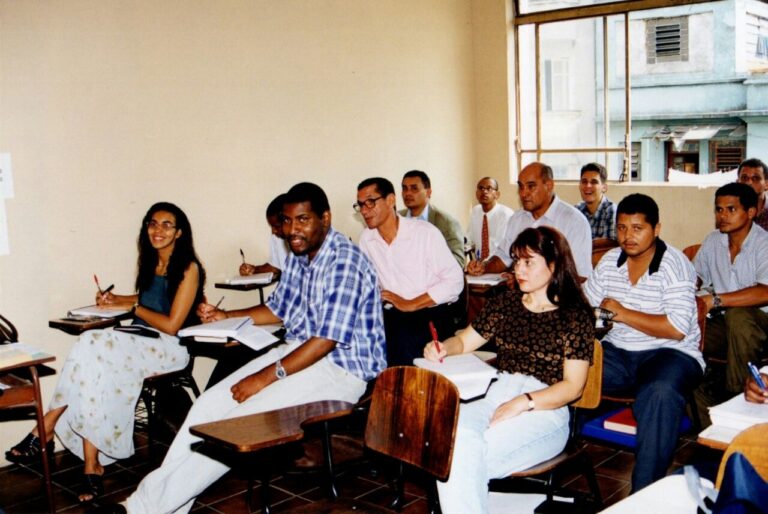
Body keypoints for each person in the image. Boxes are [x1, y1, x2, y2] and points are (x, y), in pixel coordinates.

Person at [108, 182, 386, 514]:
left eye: (302, 220)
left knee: (235, 426)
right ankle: (158, 506)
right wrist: (225, 315)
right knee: (206, 409)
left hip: (340, 370)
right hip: (298, 352)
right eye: (286, 221)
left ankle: (139, 510)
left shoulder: (345, 261)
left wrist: (264, 377)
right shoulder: (300, 253)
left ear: (325, 219)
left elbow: (326, 341)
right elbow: (278, 309)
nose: (292, 230)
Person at [5, 202, 206, 503]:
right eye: (153, 223)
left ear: (179, 232)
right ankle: (91, 465)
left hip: (169, 348)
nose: (158, 230)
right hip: (138, 341)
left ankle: (47, 426)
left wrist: (133, 308)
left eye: (167, 224)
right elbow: (146, 298)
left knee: (93, 344)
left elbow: (173, 324)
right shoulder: (151, 261)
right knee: (93, 358)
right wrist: (116, 299)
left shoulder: (189, 268)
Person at [423, 226, 594, 514]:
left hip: (546, 407)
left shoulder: (574, 316)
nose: (519, 269)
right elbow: (465, 340)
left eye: (529, 262)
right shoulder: (506, 303)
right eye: (516, 261)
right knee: (452, 440)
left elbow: (572, 387)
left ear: (553, 265)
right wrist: (443, 348)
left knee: (458, 459)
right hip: (497, 391)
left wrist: (523, 403)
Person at [584, 193, 704, 492]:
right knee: (570, 368)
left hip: (671, 353)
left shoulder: (675, 264)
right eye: (622, 228)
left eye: (637, 228)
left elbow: (676, 329)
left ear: (657, 229)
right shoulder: (610, 260)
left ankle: (643, 495)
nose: (628, 236)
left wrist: (622, 313)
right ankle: (555, 453)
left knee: (659, 392)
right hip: (619, 351)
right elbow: (585, 306)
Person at [357, 177, 464, 366]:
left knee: (404, 349)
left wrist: (411, 304)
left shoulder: (424, 233)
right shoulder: (366, 239)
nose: (364, 211)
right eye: (360, 205)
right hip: (392, 316)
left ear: (391, 200)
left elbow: (455, 281)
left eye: (370, 202)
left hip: (429, 314)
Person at [693, 182, 768, 425]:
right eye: (718, 209)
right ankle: (703, 407)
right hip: (726, 323)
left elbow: (766, 291)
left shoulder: (764, 243)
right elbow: (695, 277)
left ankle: (737, 398)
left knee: (738, 316)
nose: (722, 216)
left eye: (731, 209)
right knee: (689, 329)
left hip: (761, 324)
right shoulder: (713, 241)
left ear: (751, 212)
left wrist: (715, 299)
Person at [468, 162, 592, 279]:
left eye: (531, 187)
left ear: (548, 186)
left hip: (557, 297)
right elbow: (503, 257)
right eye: (521, 187)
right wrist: (483, 266)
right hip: (521, 293)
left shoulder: (574, 221)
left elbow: (580, 275)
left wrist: (528, 281)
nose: (523, 193)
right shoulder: (517, 219)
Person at [399, 170, 465, 267]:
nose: (407, 193)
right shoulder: (397, 219)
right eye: (405, 188)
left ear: (428, 192)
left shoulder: (447, 223)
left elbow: (458, 261)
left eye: (414, 188)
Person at [239, 193, 289, 278]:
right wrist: (254, 269)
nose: (273, 231)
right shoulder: (277, 237)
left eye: (276, 226)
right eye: (271, 226)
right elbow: (275, 266)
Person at [466, 177, 514, 261]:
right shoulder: (476, 211)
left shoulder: (505, 215)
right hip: (479, 263)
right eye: (481, 188)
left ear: (497, 194)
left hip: (500, 263)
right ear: (476, 193)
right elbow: (470, 237)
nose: (484, 191)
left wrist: (485, 264)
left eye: (489, 188)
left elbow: (502, 249)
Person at [576, 162, 616, 240]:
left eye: (594, 182)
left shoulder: (611, 210)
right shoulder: (577, 210)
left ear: (604, 187)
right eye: (584, 181)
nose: (588, 186)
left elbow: (608, 247)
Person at [737, 158, 768, 231]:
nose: (749, 183)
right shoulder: (730, 214)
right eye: (744, 178)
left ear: (766, 184)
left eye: (755, 178)